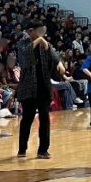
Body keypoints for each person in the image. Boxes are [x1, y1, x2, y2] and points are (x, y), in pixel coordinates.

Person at [16, 20, 67, 159]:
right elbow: (25, 59)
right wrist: (38, 41)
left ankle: (43, 150)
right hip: (28, 87)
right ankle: (22, 149)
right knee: (27, 118)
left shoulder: (45, 44)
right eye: (39, 32)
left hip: (44, 85)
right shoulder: (22, 44)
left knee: (45, 117)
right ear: (30, 31)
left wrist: (59, 64)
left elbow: (55, 57)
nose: (42, 35)